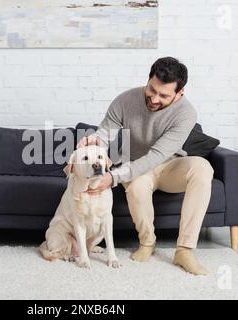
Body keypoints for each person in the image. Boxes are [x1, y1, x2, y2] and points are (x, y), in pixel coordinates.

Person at [76, 57, 214, 275]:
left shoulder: (186, 113)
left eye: (164, 95)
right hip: (134, 166)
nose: (154, 98)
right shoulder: (125, 100)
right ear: (148, 80)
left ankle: (185, 250)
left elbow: (157, 155)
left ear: (180, 94)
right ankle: (147, 243)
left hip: (170, 166)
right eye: (152, 89)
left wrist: (113, 178)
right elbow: (104, 135)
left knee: (202, 167)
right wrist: (93, 142)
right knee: (138, 182)